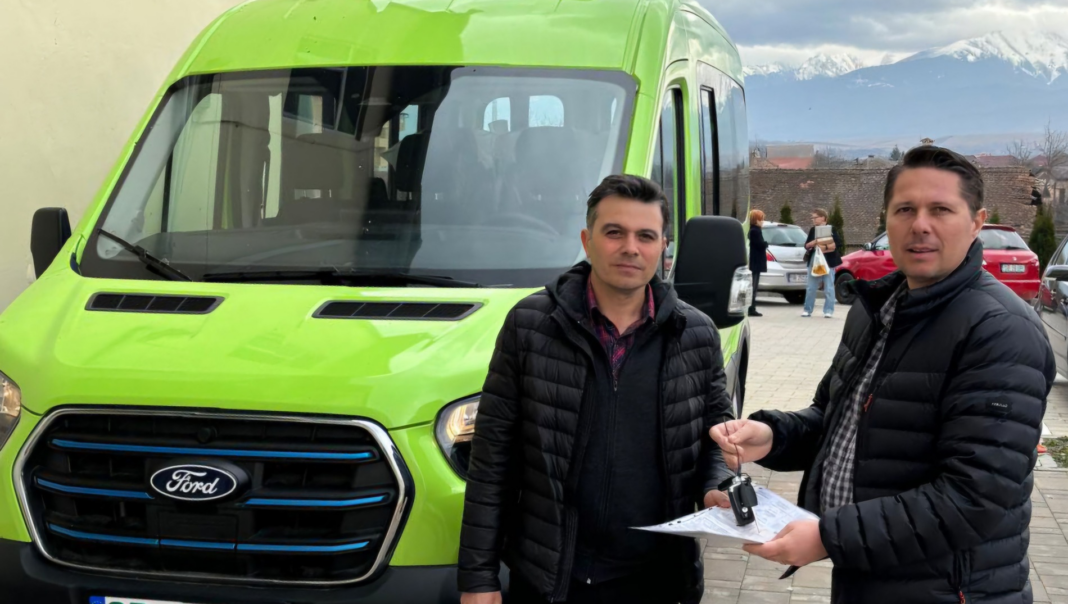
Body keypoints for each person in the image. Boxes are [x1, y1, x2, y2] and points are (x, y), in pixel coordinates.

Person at [710, 146, 1056, 604]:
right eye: (905, 209)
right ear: (886, 219)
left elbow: (976, 496)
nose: (920, 225)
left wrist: (829, 536)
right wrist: (773, 436)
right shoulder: (877, 309)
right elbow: (837, 422)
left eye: (941, 210)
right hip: (869, 576)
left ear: (977, 222)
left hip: (950, 591)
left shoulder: (999, 330)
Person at [458, 174, 736, 604]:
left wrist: (717, 484)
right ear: (587, 241)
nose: (630, 247)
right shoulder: (531, 325)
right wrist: (478, 578)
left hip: (657, 580)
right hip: (551, 579)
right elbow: (492, 460)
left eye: (646, 236)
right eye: (614, 232)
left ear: (664, 247)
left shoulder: (695, 334)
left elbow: (717, 439)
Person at [801, 208, 843, 318]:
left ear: (823, 218)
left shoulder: (831, 229)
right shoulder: (813, 230)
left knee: (828, 287)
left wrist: (825, 242)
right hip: (814, 260)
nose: (813, 220)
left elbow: (838, 243)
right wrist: (814, 242)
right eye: (812, 218)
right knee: (811, 287)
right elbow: (806, 245)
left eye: (815, 217)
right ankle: (807, 310)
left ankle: (828, 310)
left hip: (828, 260)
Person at [748, 209, 768, 317]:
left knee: (753, 285)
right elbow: (760, 244)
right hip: (756, 262)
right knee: (754, 286)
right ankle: (752, 308)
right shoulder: (755, 231)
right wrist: (765, 243)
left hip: (754, 261)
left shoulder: (752, 230)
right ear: (756, 220)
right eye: (761, 219)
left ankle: (752, 307)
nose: (763, 221)